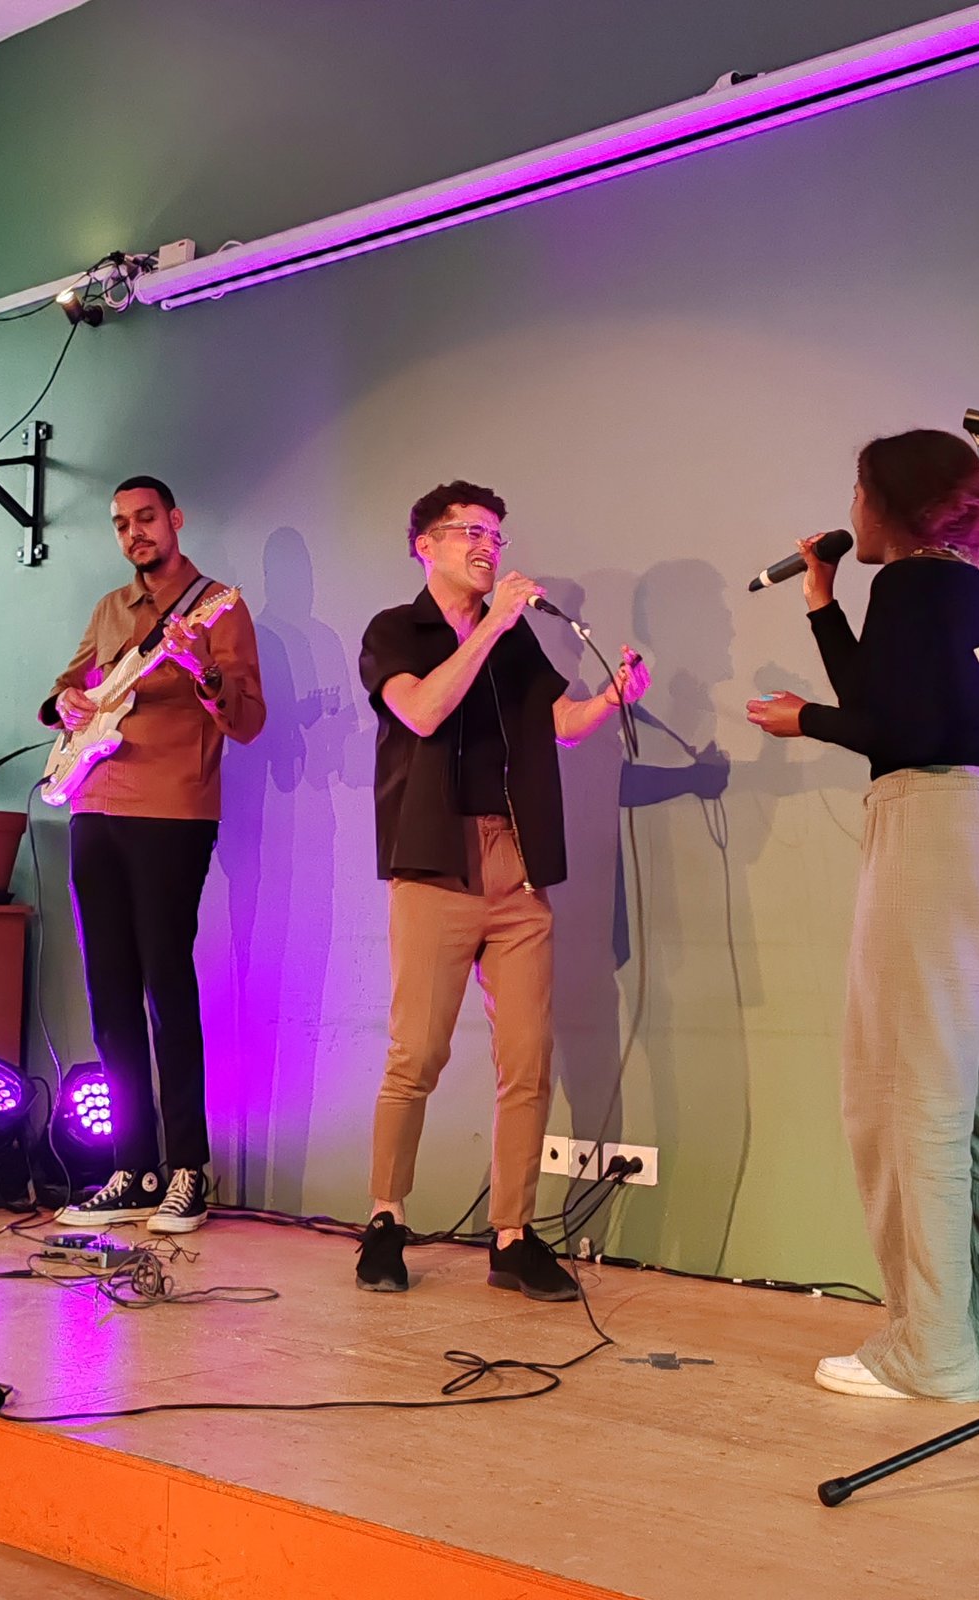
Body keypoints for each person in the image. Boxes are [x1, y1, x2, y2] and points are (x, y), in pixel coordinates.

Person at [747, 430, 979, 1401]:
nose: (851, 506)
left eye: (858, 489)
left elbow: (896, 728)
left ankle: (928, 1351)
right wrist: (820, 598)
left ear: (888, 500)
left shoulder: (912, 585)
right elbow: (889, 699)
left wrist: (806, 719)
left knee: (904, 1101)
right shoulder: (961, 588)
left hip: (935, 835)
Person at [355, 479, 650, 1298]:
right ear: (426, 545)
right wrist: (490, 627)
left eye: (496, 535)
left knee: (527, 1059)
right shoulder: (397, 630)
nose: (488, 547)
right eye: (472, 533)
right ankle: (385, 1220)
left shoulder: (512, 639)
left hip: (515, 867)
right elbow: (421, 712)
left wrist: (612, 697)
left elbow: (561, 724)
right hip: (435, 865)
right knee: (417, 1054)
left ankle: (513, 1235)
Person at [39, 476, 265, 1234]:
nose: (134, 532)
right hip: (92, 805)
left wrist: (201, 672)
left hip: (171, 809)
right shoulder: (111, 608)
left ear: (175, 520)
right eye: (120, 524)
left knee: (167, 984)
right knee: (109, 994)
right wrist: (67, 701)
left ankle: (187, 1169)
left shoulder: (219, 606)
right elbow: (71, 685)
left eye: (145, 518)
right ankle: (131, 1169)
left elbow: (248, 719)